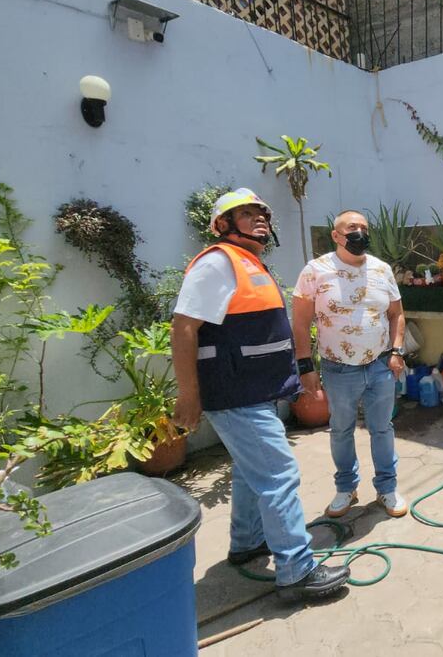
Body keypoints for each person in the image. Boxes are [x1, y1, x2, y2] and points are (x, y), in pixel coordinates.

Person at [171, 187, 349, 602]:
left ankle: (248, 542)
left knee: (252, 473)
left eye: (261, 213)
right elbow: (183, 327)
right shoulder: (217, 263)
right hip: (235, 394)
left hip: (253, 391)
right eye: (246, 213)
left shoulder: (248, 263)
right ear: (223, 224)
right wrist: (188, 394)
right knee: (279, 474)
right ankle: (296, 571)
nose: (259, 219)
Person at [291, 210, 408, 519]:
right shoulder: (315, 271)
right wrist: (306, 366)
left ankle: (387, 487)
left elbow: (396, 314)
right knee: (341, 430)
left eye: (364, 227)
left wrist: (397, 352)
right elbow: (301, 323)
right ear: (336, 235)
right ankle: (346, 488)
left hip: (380, 365)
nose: (360, 232)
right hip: (338, 368)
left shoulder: (382, 270)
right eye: (352, 227)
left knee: (382, 429)